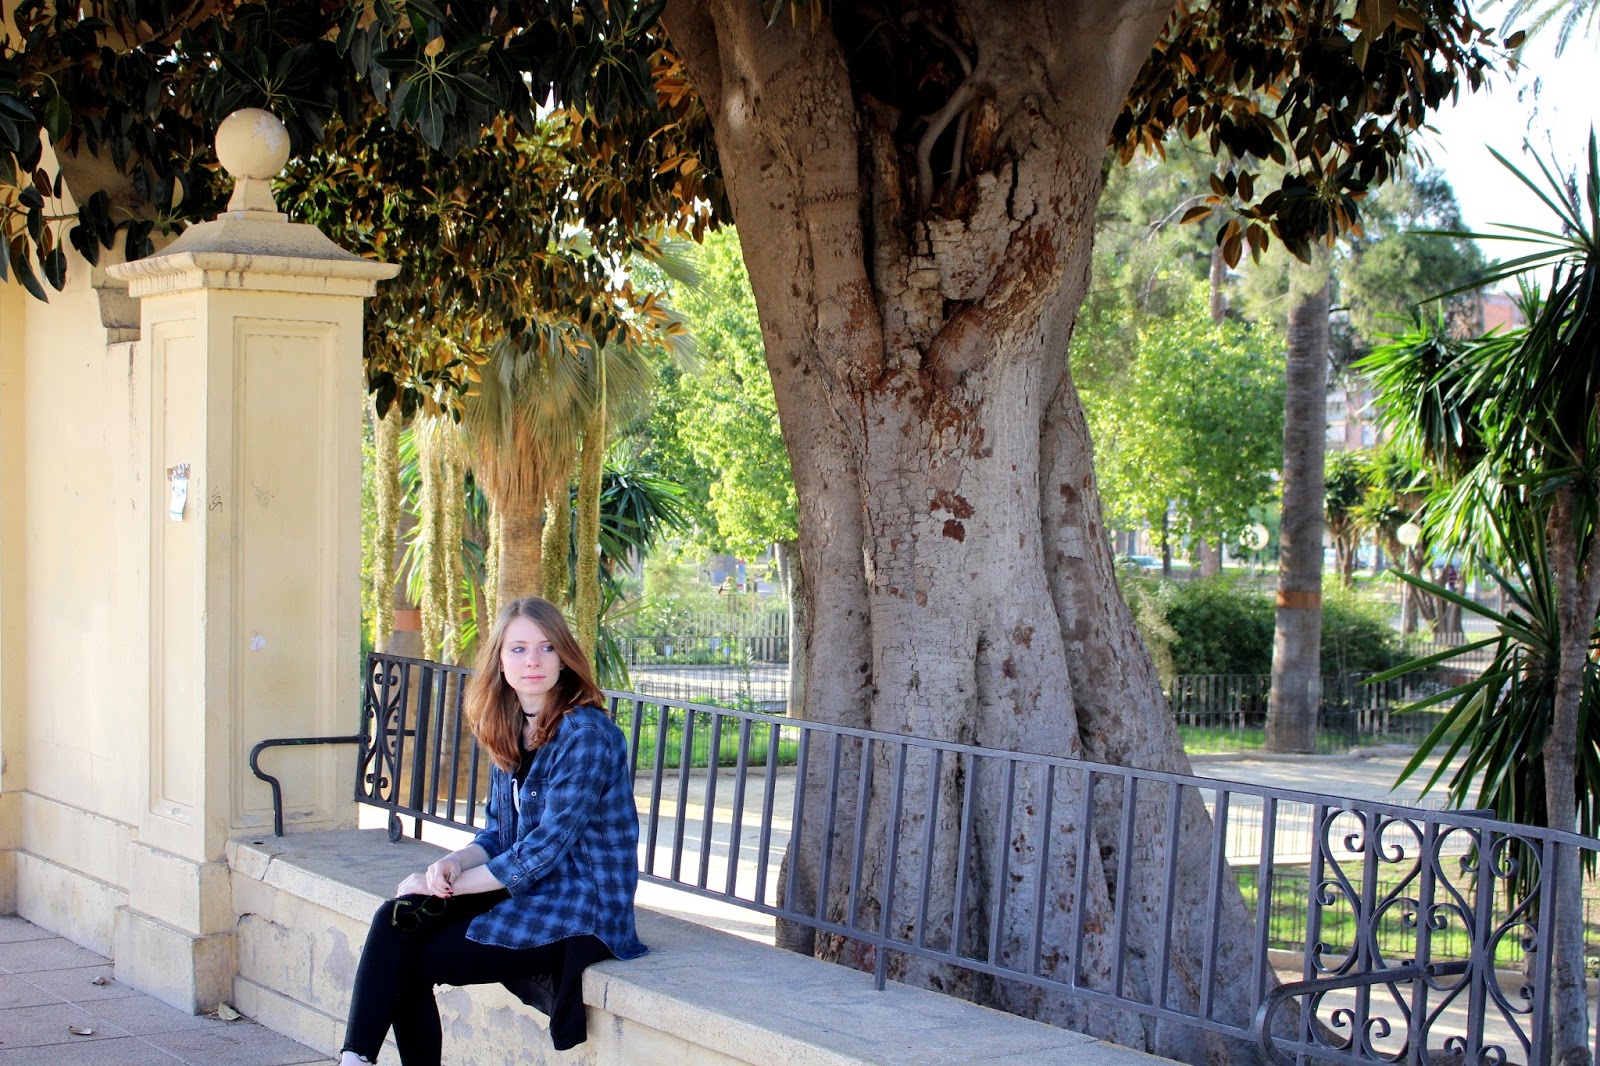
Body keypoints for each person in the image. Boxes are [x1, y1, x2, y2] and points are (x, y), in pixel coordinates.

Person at [337, 597, 646, 1065]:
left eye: (546, 647)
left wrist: (447, 888)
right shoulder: (512, 727)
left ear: (564, 657)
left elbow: (543, 849)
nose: (533, 661)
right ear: (500, 660)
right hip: (524, 889)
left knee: (412, 961)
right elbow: (500, 833)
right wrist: (452, 863)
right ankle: (354, 1058)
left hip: (579, 906)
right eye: (518, 649)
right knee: (396, 918)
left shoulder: (586, 735)